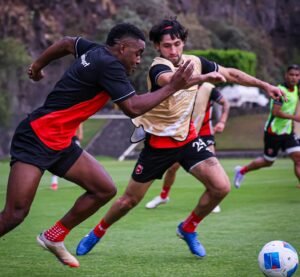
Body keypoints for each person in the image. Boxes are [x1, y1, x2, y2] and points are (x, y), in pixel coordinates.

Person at [0, 22, 208, 268]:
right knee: (15, 213)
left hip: (61, 142)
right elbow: (133, 107)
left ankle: (53, 237)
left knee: (104, 189)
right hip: (36, 137)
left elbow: (67, 42)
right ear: (121, 48)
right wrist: (174, 87)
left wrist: (37, 66)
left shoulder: (95, 51)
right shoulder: (109, 65)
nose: (139, 60)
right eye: (137, 53)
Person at [76, 18, 284, 259]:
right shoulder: (158, 67)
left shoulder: (194, 61)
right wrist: (205, 78)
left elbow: (231, 74)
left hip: (188, 140)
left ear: (183, 42)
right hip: (158, 145)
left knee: (221, 187)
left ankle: (188, 228)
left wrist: (265, 85)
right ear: (157, 47)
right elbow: (172, 81)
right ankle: (97, 232)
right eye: (167, 46)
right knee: (128, 201)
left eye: (177, 44)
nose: (173, 50)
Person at [145, 82, 230, 213]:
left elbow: (226, 103)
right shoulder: (184, 86)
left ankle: (213, 198)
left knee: (211, 166)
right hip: (186, 132)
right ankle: (163, 196)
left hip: (205, 132)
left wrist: (222, 121)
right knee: (172, 168)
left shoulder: (208, 88)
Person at [234, 64, 300, 189]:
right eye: (291, 75)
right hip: (273, 132)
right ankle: (241, 171)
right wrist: (294, 118)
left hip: (288, 133)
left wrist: (291, 122)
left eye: (297, 75)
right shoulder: (280, 91)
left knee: (298, 159)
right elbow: (276, 112)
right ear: (286, 75)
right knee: (268, 161)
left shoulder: (296, 89)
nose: (294, 78)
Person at [50, 123, 83, 190]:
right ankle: (54, 182)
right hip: (63, 138)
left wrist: (80, 133)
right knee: (56, 159)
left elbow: (79, 123)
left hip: (74, 138)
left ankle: (81, 181)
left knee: (78, 161)